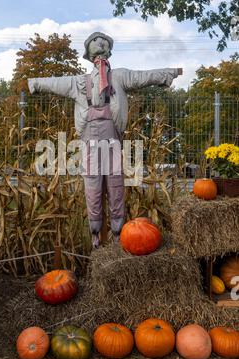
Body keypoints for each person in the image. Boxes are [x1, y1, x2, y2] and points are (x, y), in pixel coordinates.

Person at [28, 32, 182, 247]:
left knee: (115, 181)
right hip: (89, 138)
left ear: (108, 51)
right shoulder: (78, 82)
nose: (99, 48)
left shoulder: (119, 76)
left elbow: (142, 76)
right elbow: (55, 83)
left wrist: (168, 73)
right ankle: (95, 231)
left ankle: (118, 230)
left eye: (103, 44)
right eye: (96, 45)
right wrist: (35, 83)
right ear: (90, 54)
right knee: (92, 182)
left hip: (112, 137)